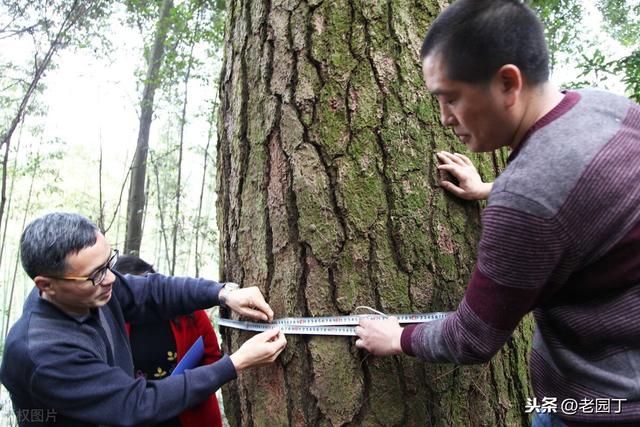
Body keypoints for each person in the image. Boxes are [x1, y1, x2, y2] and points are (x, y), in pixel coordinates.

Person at [354, 1, 640, 426]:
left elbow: (473, 335)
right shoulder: (610, 108)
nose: (445, 119)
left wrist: (398, 338)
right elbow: (594, 202)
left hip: (597, 409)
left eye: (451, 99)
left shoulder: (524, 201)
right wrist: (491, 189)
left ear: (508, 83)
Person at [1, 212, 287, 426]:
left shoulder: (90, 291)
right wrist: (236, 363)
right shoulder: (44, 354)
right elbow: (135, 403)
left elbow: (152, 291)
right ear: (46, 285)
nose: (111, 279)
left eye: (109, 263)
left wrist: (222, 293)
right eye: (96, 274)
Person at [113, 255, 224, 427]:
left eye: (147, 283)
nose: (144, 294)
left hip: (192, 411)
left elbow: (212, 356)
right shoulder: (115, 327)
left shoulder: (189, 314)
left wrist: (193, 386)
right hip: (144, 414)